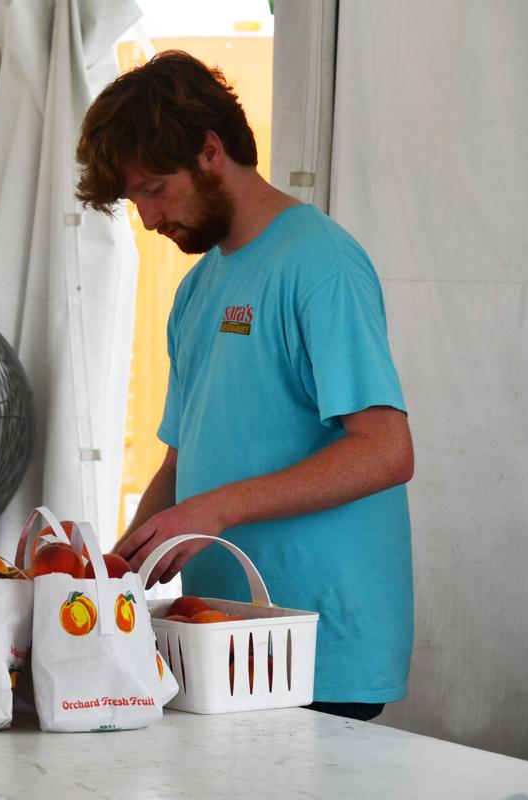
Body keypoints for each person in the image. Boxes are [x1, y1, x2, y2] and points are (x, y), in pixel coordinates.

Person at [75, 51, 413, 721]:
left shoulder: (320, 264)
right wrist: (116, 567)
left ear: (209, 151)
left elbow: (386, 450)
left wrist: (218, 508)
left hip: (318, 648)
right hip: (215, 646)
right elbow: (182, 464)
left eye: (153, 189)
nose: (145, 218)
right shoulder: (199, 289)